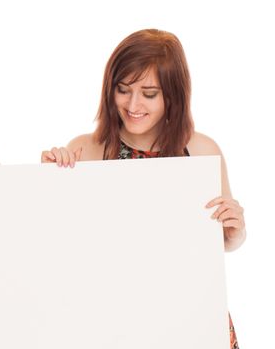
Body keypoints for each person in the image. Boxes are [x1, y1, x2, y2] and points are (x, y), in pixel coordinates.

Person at [41, 29, 244, 349]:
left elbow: (222, 243)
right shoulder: (87, 149)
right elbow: (59, 246)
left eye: (149, 93)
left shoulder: (202, 150)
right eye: (123, 90)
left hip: (193, 315)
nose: (133, 105)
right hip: (116, 319)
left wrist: (235, 230)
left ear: (172, 96)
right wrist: (49, 183)